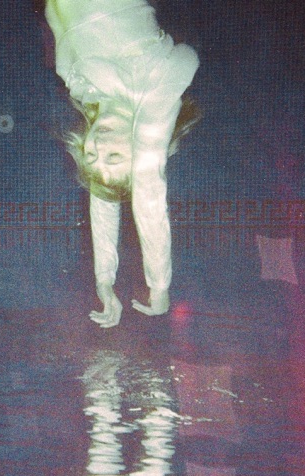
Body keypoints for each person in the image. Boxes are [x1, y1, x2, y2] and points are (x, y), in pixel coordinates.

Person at [45, 0, 199, 328]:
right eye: (114, 156)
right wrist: (159, 286)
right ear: (142, 151)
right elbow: (148, 190)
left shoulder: (77, 81)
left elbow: (102, 204)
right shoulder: (154, 89)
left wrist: (104, 282)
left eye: (91, 155)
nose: (99, 146)